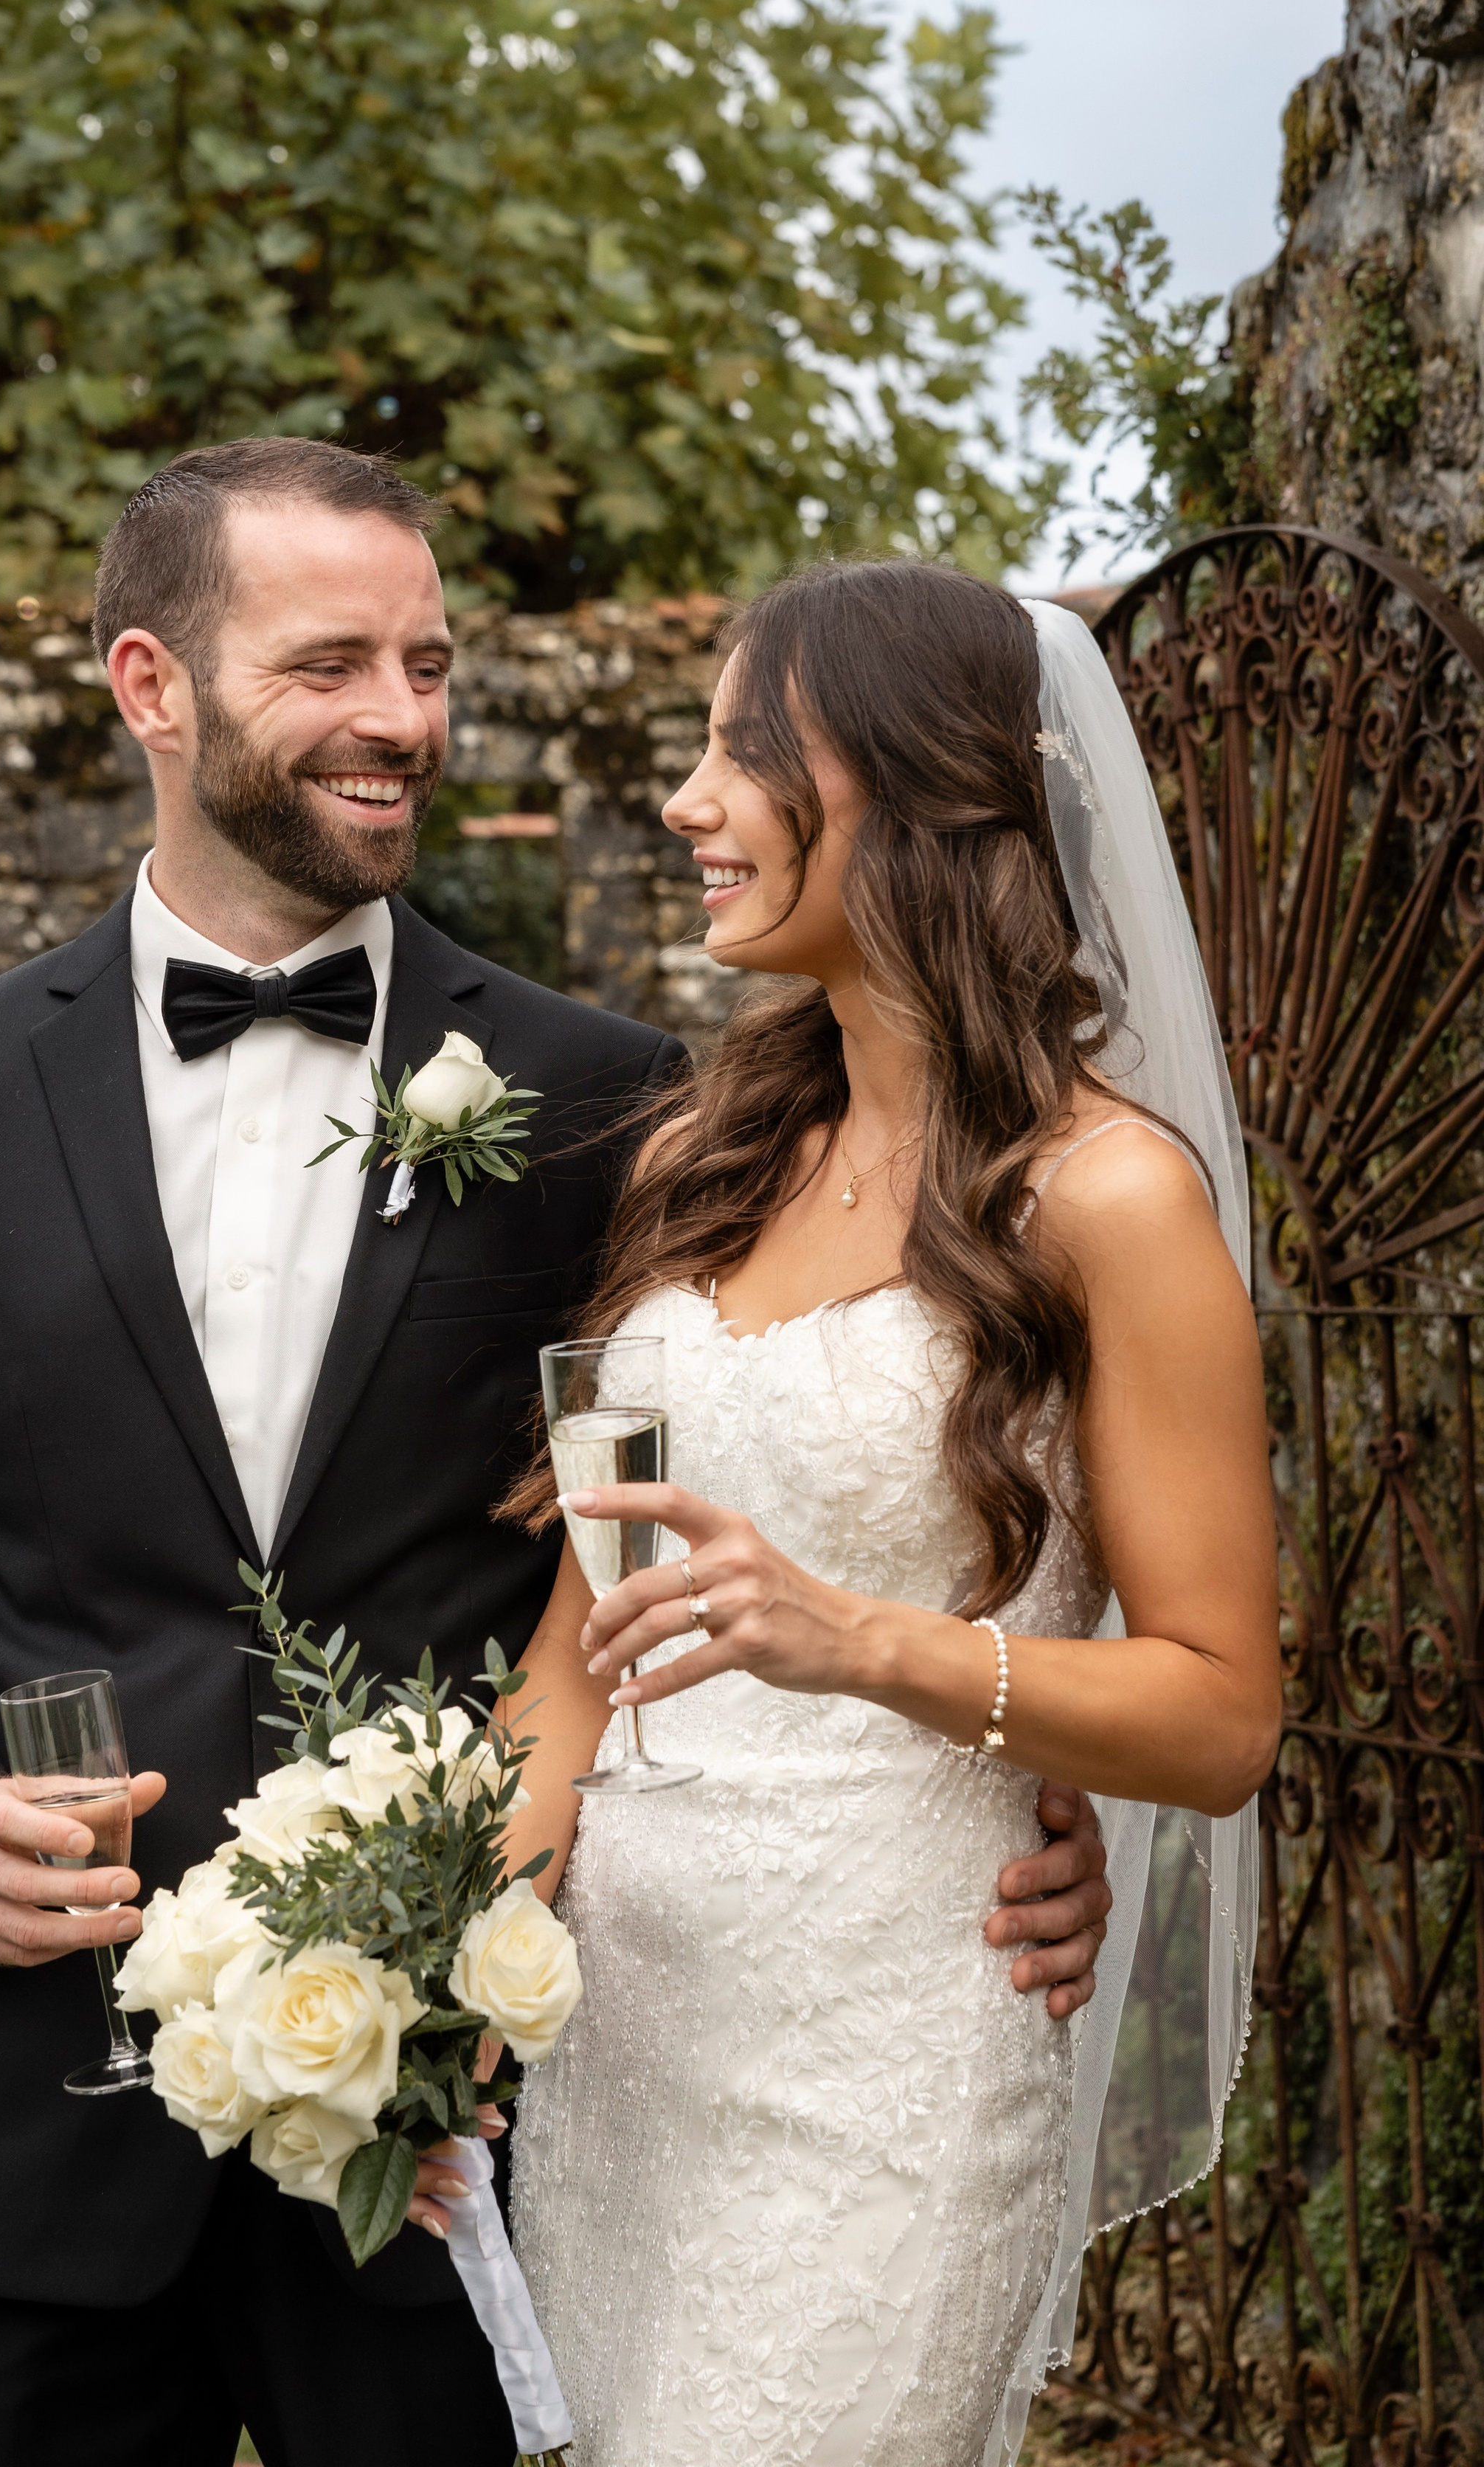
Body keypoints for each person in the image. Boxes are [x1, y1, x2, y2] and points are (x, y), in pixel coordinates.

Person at [0, 455, 1114, 2467]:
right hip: (20, 2116)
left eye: (429, 661)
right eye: (332, 663)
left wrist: (1013, 1787)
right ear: (154, 685)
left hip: (457, 2145)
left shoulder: (618, 1103)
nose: (403, 715)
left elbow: (810, 1452)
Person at [504, 560, 1281, 2467]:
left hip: (892, 2067)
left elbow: (1221, 1714)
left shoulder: (1112, 1202)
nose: (688, 802)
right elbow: (583, 1632)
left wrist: (864, 1642)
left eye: (743, 752)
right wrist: (465, 1917)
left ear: (924, 793)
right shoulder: (702, 1157)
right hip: (624, 2059)